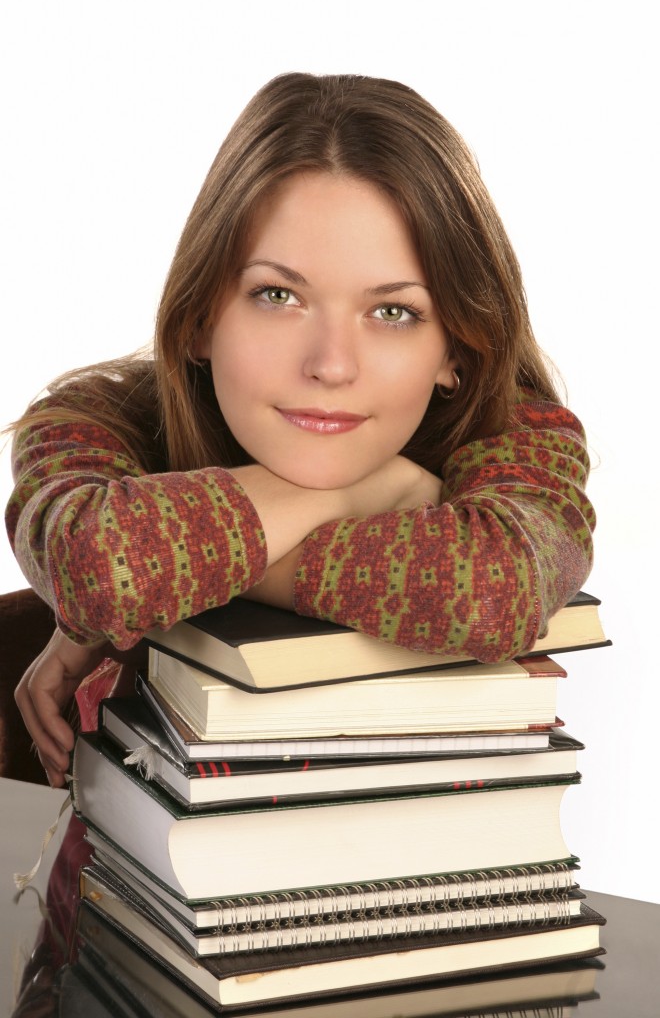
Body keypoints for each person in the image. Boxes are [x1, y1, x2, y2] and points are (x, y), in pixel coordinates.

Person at [7, 72, 594, 796]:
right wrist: (375, 489)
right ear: (199, 317)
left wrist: (156, 586)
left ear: (455, 350)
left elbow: (494, 590)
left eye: (394, 312)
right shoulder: (91, 424)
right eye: (277, 295)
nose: (331, 365)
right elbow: (101, 567)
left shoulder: (518, 435)